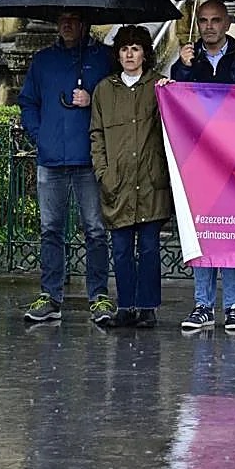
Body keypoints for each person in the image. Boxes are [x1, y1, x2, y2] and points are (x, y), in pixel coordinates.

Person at [18, 11, 116, 325]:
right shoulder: (43, 60)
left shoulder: (103, 58)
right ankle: (50, 296)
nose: (67, 24)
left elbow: (120, 96)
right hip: (51, 159)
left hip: (87, 159)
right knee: (50, 230)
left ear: (86, 23)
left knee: (96, 230)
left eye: (74, 19)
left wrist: (93, 99)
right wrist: (39, 135)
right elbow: (28, 102)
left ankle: (99, 295)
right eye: (61, 19)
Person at [171, 0, 235, 333]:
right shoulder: (186, 60)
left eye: (216, 21)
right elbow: (174, 99)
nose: (209, 26)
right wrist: (180, 71)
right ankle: (202, 304)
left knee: (232, 231)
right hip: (197, 160)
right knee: (202, 232)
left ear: (227, 24)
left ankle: (234, 305)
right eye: (204, 21)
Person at [90, 26, 173, 329]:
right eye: (124, 48)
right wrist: (103, 172)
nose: (129, 54)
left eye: (136, 48)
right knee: (122, 249)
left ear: (144, 54)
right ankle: (126, 305)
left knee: (149, 248)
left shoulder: (158, 86)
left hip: (151, 182)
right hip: (118, 182)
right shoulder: (104, 89)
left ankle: (148, 306)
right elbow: (96, 135)